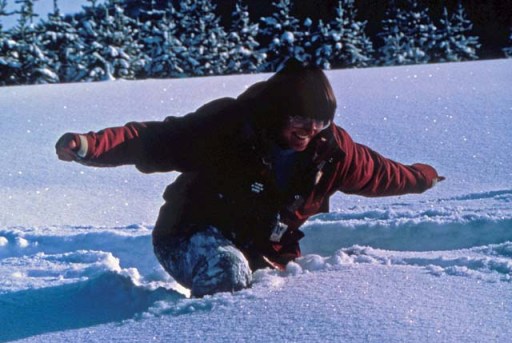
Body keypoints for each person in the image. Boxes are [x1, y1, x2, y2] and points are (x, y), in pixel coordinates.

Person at [56, 60, 444, 297]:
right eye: (299, 121)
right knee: (226, 268)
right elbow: (155, 139)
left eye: (319, 123)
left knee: (262, 280)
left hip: (263, 251)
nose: (308, 132)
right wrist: (90, 145)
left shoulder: (332, 150)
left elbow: (380, 173)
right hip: (187, 234)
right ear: (277, 113)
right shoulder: (228, 126)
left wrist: (422, 177)